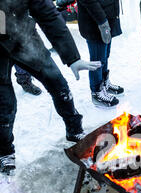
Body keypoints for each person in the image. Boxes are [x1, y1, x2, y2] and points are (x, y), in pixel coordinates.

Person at [0, 0, 101, 175]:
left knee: (58, 85)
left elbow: (49, 15)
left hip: (25, 39)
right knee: (4, 106)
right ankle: (5, 151)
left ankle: (75, 130)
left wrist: (72, 57)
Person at [77, 0, 124, 108]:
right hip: (95, 23)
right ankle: (96, 92)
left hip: (107, 20)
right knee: (97, 60)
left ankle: (104, 84)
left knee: (105, 56)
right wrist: (102, 22)